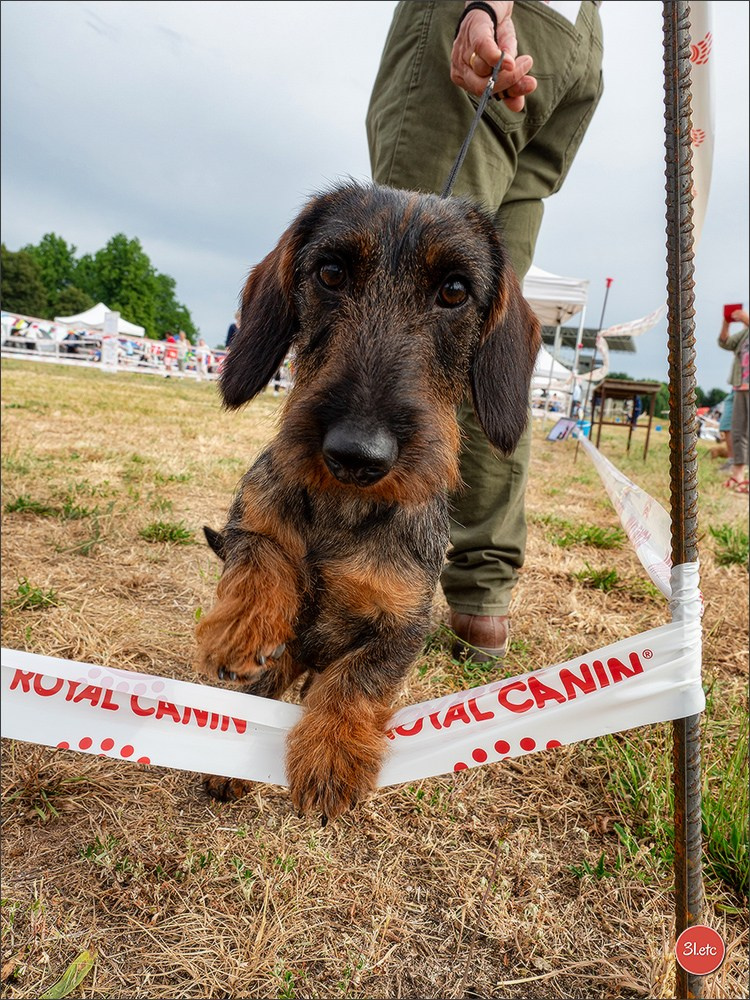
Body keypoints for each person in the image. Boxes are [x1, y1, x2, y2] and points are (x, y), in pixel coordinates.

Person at [367, 0, 603, 660]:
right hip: (575, 39)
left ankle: (362, 580)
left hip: (501, 22)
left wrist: (483, 7)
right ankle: (482, 603)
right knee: (481, 326)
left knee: (398, 303)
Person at [718, 306, 749, 492]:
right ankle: (738, 475)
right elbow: (725, 343)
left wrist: (746, 319)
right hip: (741, 386)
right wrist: (726, 321)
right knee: (738, 432)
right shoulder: (745, 334)